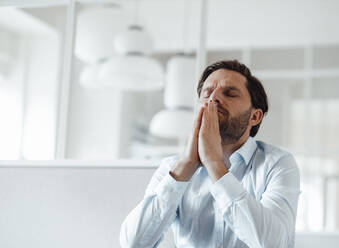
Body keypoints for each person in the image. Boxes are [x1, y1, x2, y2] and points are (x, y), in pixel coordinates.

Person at [119, 60, 301, 248]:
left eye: (230, 94)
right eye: (206, 93)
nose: (213, 98)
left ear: (254, 117)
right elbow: (133, 244)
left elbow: (275, 244)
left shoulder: (277, 164)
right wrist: (186, 166)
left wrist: (214, 163)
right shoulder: (173, 168)